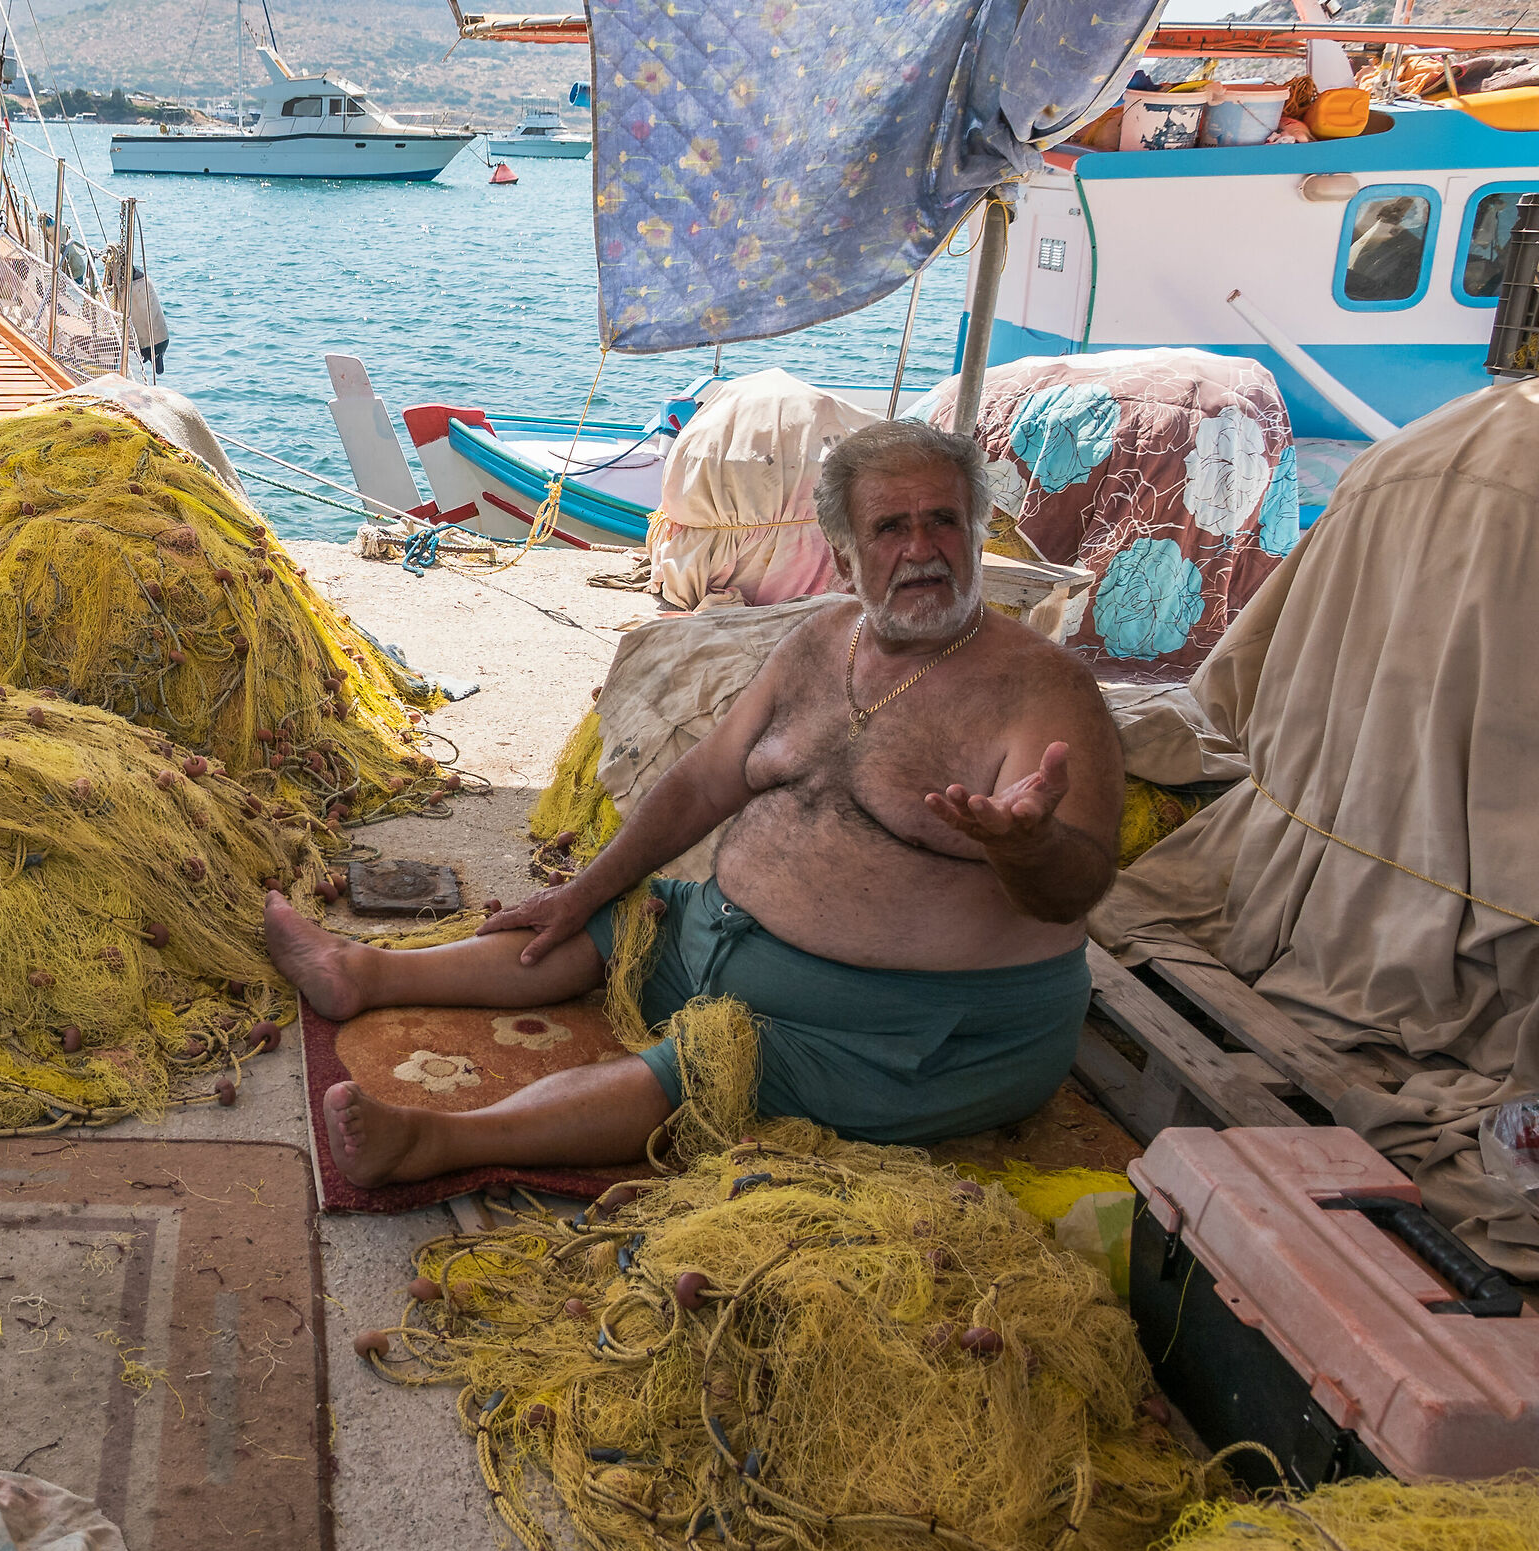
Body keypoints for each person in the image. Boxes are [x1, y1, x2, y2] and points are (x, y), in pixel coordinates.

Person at [265, 420, 1125, 1187]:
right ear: (844, 548)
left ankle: (439, 1140)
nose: (921, 548)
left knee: (701, 1068)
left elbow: (1076, 886)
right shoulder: (827, 637)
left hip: (914, 1034)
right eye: (889, 527)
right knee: (610, 918)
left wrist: (1027, 847)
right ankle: (366, 973)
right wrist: (586, 889)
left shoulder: (1043, 690)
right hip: (723, 937)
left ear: (976, 532)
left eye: (943, 520)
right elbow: (707, 779)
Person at [103, 244, 170, 375]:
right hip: (137, 286)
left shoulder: (161, 344)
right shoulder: (156, 345)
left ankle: (127, 270)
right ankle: (128, 270)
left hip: (136, 287)